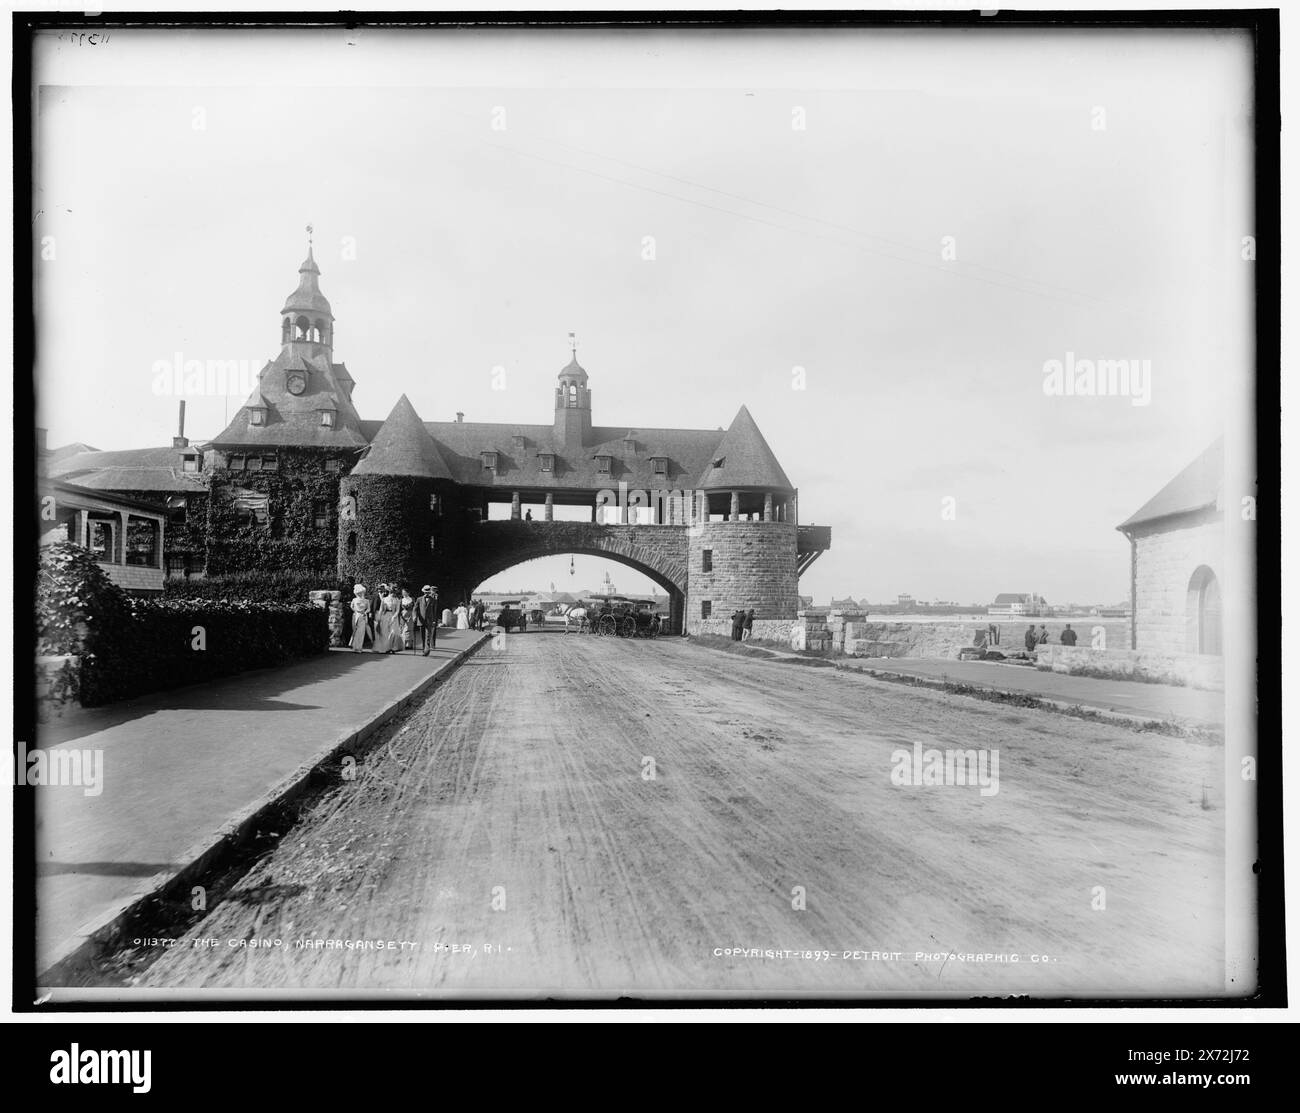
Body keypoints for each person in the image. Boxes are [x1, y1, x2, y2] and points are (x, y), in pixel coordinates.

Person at [415, 585, 439, 655]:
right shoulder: (419, 599)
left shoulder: (433, 600)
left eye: (428, 592)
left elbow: (434, 611)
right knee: (422, 635)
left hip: (429, 620)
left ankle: (427, 649)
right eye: (425, 592)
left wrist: (434, 620)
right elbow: (415, 609)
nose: (427, 594)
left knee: (428, 635)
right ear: (423, 592)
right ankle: (423, 648)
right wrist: (414, 616)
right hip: (421, 620)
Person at [349, 585, 372, 652]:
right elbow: (351, 606)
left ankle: (359, 647)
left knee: (361, 632)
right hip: (356, 616)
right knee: (355, 631)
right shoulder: (354, 600)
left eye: (361, 592)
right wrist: (356, 611)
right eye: (358, 592)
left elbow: (369, 609)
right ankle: (355, 646)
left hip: (363, 616)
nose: (360, 593)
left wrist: (365, 612)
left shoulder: (366, 601)